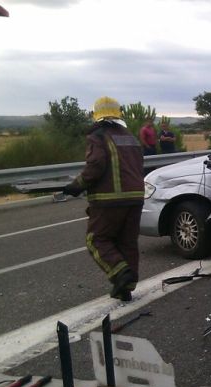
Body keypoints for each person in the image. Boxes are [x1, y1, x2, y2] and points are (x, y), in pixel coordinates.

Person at [62, 96, 144, 301]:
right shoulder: (130, 137)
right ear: (119, 114)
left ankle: (120, 273)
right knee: (127, 243)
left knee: (96, 239)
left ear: (96, 115)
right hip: (136, 198)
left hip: (109, 200)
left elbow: (96, 166)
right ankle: (126, 287)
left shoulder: (98, 136)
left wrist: (77, 185)